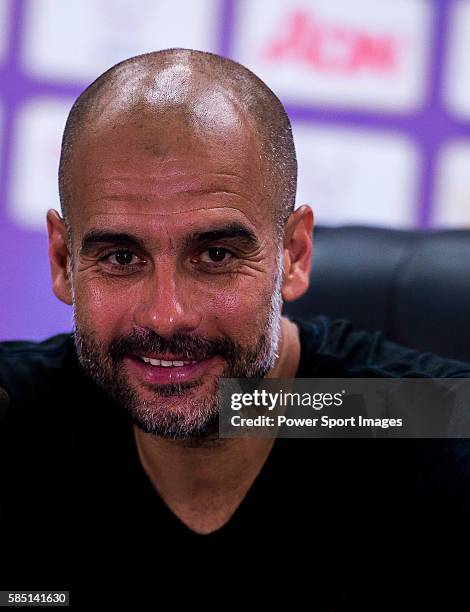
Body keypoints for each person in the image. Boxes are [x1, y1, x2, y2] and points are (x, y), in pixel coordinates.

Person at [0, 48, 469, 611]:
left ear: (292, 255)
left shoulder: (424, 429)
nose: (167, 316)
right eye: (122, 258)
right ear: (62, 261)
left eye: (216, 255)